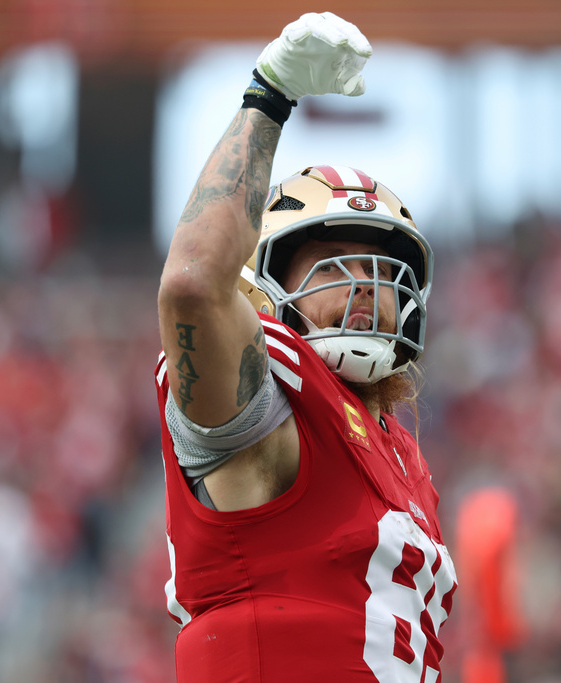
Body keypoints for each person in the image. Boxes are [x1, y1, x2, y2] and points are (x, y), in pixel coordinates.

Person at [154, 12, 458, 682]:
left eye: (382, 270)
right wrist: (269, 93)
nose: (364, 287)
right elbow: (192, 286)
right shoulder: (275, 404)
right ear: (262, 289)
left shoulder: (400, 453)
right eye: (332, 263)